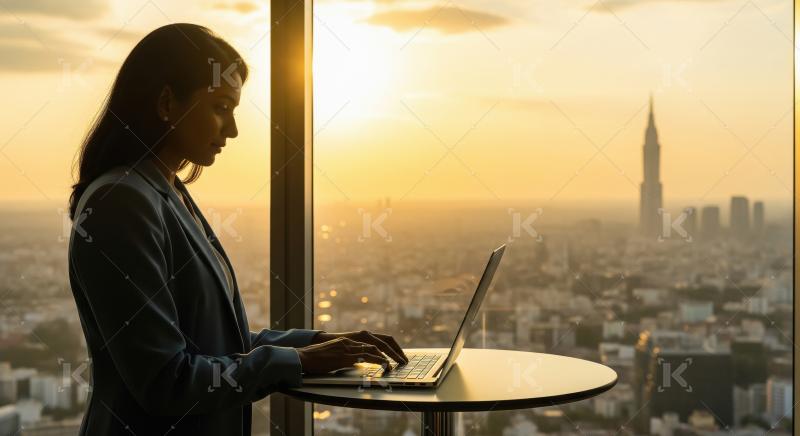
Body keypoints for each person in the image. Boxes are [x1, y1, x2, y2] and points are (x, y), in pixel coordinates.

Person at [67, 23, 408, 436]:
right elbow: (166, 380)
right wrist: (301, 362)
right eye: (221, 107)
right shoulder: (122, 202)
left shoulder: (162, 193)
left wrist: (320, 343)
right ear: (166, 102)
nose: (232, 130)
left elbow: (214, 344)